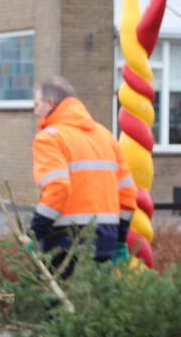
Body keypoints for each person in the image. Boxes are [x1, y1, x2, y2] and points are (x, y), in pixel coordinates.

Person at [29, 76, 138, 272]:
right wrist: (121, 239)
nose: (35, 111)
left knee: (58, 301)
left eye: (37, 104)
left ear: (50, 104)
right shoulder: (106, 136)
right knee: (97, 301)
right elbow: (128, 194)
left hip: (64, 243)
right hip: (106, 240)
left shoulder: (49, 139)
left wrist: (34, 233)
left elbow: (57, 187)